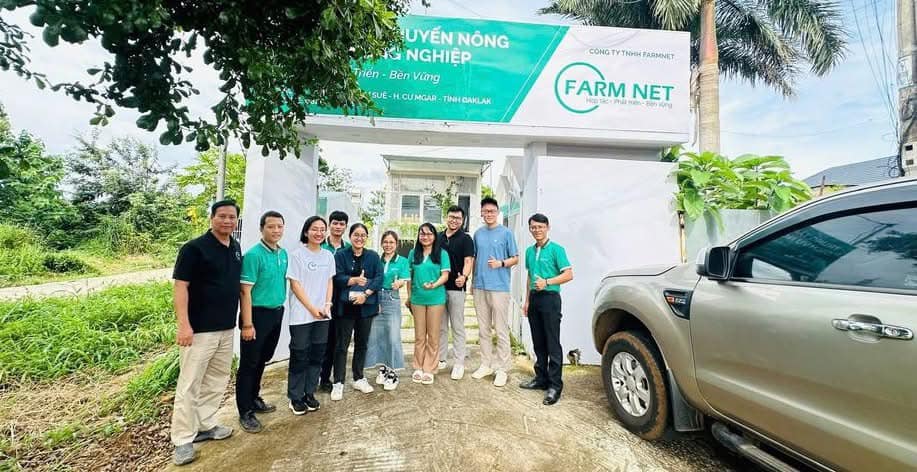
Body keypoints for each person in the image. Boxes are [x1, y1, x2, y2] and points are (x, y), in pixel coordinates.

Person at [170, 200, 242, 466]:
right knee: (190, 383)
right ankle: (182, 439)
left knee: (217, 379)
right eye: (222, 216)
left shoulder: (235, 247)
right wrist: (184, 325)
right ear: (211, 218)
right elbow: (181, 287)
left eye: (232, 217)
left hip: (226, 327)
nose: (227, 221)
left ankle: (206, 424)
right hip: (199, 329)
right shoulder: (194, 249)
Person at [236, 211, 288, 434]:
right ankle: (245, 411)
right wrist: (248, 324)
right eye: (271, 226)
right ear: (261, 228)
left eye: (279, 226)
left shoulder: (282, 253)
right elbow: (245, 292)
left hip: (276, 313)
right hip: (256, 315)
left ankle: (254, 398)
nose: (276, 230)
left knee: (262, 359)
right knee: (249, 363)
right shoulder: (253, 255)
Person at [519, 213, 574, 406]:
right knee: (538, 342)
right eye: (533, 227)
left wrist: (547, 282)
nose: (537, 230)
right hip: (534, 299)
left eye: (540, 227)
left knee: (552, 343)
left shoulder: (557, 249)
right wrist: (527, 300)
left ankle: (555, 386)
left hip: (550, 298)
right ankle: (541, 378)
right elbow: (529, 276)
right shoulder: (529, 251)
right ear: (530, 229)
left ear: (547, 227)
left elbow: (568, 274)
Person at [286, 216, 335, 415]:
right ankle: (295, 396)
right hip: (302, 315)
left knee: (317, 355)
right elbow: (295, 284)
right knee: (300, 354)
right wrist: (312, 309)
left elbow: (329, 282)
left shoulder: (328, 256)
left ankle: (309, 392)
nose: (319, 233)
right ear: (306, 231)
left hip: (323, 315)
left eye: (322, 229)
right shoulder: (297, 255)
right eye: (315, 229)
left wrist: (327, 305)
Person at [330, 223, 383, 400]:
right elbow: (336, 277)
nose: (359, 238)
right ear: (350, 236)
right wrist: (353, 280)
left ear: (366, 237)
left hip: (366, 307)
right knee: (341, 345)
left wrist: (365, 294)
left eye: (363, 235)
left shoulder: (373, 256)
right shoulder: (340, 255)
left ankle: (358, 378)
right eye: (356, 235)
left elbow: (379, 278)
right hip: (345, 308)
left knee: (362, 344)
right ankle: (338, 382)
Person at [471, 197, 518, 388]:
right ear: (481, 213)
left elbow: (515, 258)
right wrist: (472, 282)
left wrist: (501, 263)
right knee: (483, 329)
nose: (489, 214)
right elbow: (475, 259)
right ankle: (486, 364)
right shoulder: (478, 234)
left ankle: (502, 369)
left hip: (499, 287)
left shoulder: (506, 233)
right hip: (479, 286)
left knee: (500, 329)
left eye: (492, 211)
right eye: (485, 211)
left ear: (498, 212)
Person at [405, 223, 451, 385]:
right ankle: (418, 366)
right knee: (419, 336)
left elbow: (445, 276)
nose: (425, 237)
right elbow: (408, 277)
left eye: (429, 234)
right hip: (417, 299)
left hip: (436, 299)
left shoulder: (442, 253)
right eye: (422, 234)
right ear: (418, 236)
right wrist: (409, 296)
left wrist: (434, 284)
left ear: (435, 236)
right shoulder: (413, 253)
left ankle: (429, 368)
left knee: (433, 336)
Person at [364, 230, 410, 389]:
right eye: (385, 242)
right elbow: (372, 279)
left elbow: (404, 278)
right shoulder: (377, 260)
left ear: (396, 244)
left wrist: (400, 283)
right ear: (381, 243)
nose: (388, 245)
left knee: (392, 336)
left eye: (391, 242)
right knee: (377, 336)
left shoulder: (402, 261)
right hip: (376, 298)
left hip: (391, 299)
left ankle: (393, 373)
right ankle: (383, 369)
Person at [438, 205, 475, 380]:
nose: (454, 220)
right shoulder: (438, 237)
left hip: (456, 288)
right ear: (446, 217)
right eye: (452, 217)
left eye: (458, 218)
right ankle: (441, 358)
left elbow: (468, 261)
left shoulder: (466, 239)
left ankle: (459, 363)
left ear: (462, 221)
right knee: (440, 326)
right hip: (439, 288)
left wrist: (465, 276)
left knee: (457, 326)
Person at [319, 210, 350, 392]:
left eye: (341, 224)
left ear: (345, 227)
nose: (338, 227)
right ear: (329, 225)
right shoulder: (320, 245)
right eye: (335, 223)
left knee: (334, 341)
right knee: (318, 341)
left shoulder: (349, 249)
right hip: (320, 298)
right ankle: (313, 376)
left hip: (341, 302)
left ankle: (325, 378)